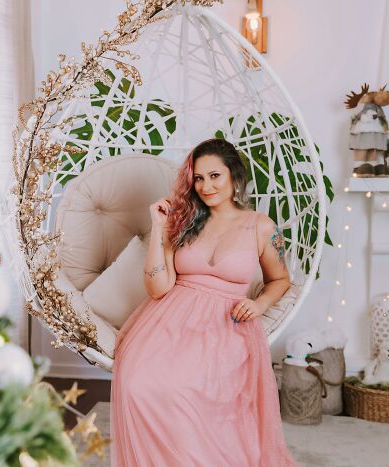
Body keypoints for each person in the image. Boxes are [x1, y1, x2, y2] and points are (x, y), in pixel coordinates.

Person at [110, 138, 298, 466]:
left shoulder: (262, 227)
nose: (206, 186)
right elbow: (157, 288)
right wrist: (158, 228)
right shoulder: (184, 222)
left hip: (227, 324)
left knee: (185, 389)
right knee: (136, 383)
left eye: (214, 176)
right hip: (169, 319)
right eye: (198, 178)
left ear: (234, 176)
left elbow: (281, 279)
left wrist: (259, 305)